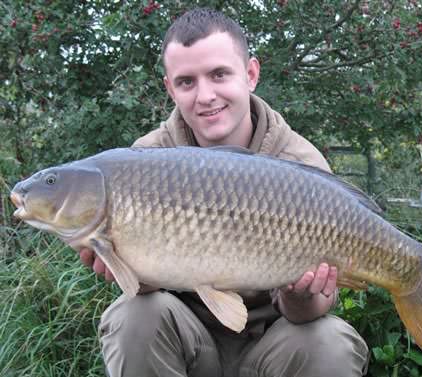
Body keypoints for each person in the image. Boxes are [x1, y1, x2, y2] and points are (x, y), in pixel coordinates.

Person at [79, 8, 369, 377]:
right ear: (170, 89)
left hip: (274, 343)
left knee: (330, 340)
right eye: (186, 82)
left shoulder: (299, 164)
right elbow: (149, 288)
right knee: (134, 315)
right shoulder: (145, 161)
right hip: (188, 342)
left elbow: (310, 311)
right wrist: (127, 266)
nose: (205, 95)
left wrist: (302, 293)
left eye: (218, 74)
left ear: (250, 74)